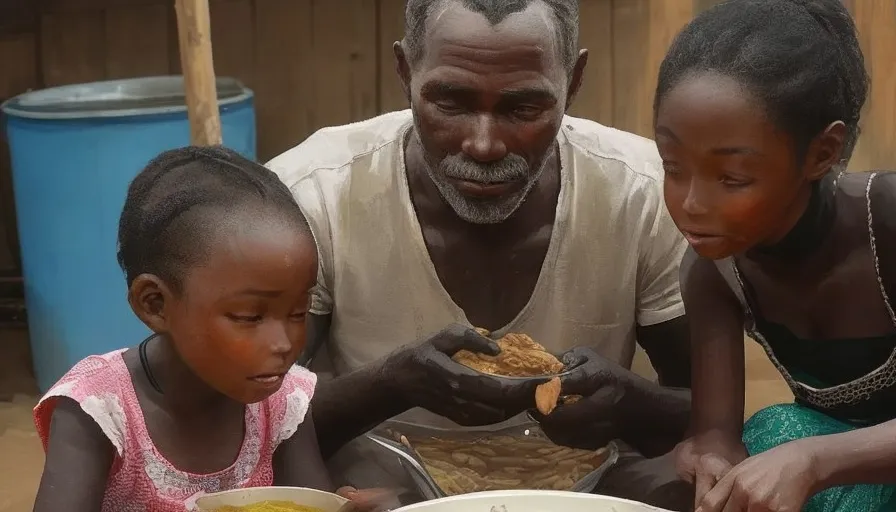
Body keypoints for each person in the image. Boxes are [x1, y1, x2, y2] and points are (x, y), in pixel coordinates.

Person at [268, 0, 692, 507]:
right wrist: (392, 385)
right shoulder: (311, 196)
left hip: (589, 488)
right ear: (406, 72)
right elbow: (247, 417)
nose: (483, 144)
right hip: (377, 491)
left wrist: (630, 405)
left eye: (523, 109)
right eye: (450, 104)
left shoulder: (645, 195)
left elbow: (712, 417)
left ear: (573, 81)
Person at [30, 147, 382, 512]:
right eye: (249, 317)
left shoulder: (282, 403)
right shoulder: (99, 410)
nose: (285, 343)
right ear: (155, 304)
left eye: (298, 312)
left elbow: (308, 504)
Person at [654, 0, 896, 510]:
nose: (691, 204)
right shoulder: (713, 272)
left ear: (821, 153)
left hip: (849, 470)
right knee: (772, 434)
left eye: (732, 178)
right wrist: (711, 456)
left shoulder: (888, 223)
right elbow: (716, 434)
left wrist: (817, 460)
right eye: (673, 166)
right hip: (850, 482)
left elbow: (812, 458)